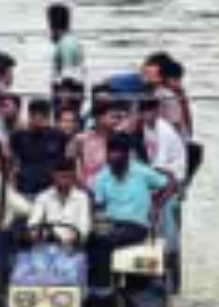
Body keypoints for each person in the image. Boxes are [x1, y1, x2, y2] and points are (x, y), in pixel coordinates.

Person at [86, 133, 175, 286]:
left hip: (136, 225)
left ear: (128, 154)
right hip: (111, 223)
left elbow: (170, 184)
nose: (113, 156)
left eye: (118, 152)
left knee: (104, 240)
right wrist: (97, 224)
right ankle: (95, 285)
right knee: (92, 238)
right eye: (111, 151)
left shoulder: (142, 172)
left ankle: (103, 287)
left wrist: (157, 206)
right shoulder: (100, 177)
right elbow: (99, 207)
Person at [9, 98, 68, 199]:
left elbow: (64, 164)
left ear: (48, 117)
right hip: (26, 188)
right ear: (30, 116)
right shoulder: (18, 135)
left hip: (51, 191)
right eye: (35, 116)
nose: (39, 120)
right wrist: (12, 188)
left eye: (43, 116)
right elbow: (12, 164)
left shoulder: (59, 136)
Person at [29, 160, 91, 247]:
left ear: (73, 176)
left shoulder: (82, 198)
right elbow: (33, 224)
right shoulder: (43, 197)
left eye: (67, 176)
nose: (64, 180)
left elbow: (84, 227)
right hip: (46, 245)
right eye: (61, 176)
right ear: (54, 176)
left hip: (73, 247)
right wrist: (38, 235)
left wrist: (71, 239)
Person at [67, 100, 122, 188]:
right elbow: (69, 164)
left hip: (115, 188)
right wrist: (80, 185)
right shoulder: (81, 139)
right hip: (87, 188)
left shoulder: (121, 139)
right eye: (113, 117)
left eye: (118, 118)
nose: (116, 121)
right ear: (99, 117)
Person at [139, 94, 186, 185]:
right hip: (156, 169)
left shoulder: (165, 131)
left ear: (157, 111)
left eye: (149, 111)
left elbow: (160, 162)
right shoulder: (145, 127)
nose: (145, 115)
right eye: (143, 112)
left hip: (174, 173)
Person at [47, 3, 86, 84]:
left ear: (52, 25)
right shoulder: (71, 41)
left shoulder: (66, 44)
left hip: (68, 90)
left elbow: (68, 75)